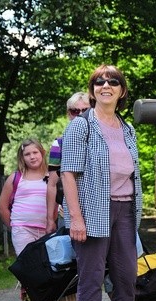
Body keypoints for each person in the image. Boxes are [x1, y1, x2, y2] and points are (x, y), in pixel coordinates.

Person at [61, 64, 150, 301]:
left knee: (127, 276)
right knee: (92, 278)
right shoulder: (80, 126)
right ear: (93, 89)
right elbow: (68, 174)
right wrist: (75, 217)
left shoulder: (128, 129)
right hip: (92, 210)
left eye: (113, 81)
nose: (106, 85)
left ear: (122, 91)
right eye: (99, 82)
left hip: (125, 209)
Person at [0, 138, 55, 301]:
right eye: (27, 154)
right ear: (22, 157)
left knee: (47, 272)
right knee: (28, 274)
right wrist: (15, 226)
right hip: (23, 230)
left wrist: (52, 222)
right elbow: (2, 207)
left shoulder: (51, 176)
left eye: (35, 152)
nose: (32, 157)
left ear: (42, 152)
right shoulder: (16, 178)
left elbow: (55, 204)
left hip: (45, 231)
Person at [45, 92, 90, 233]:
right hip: (68, 213)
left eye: (86, 110)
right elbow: (52, 184)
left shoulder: (105, 139)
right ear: (68, 114)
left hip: (101, 212)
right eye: (75, 111)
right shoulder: (59, 143)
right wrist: (50, 220)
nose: (80, 115)